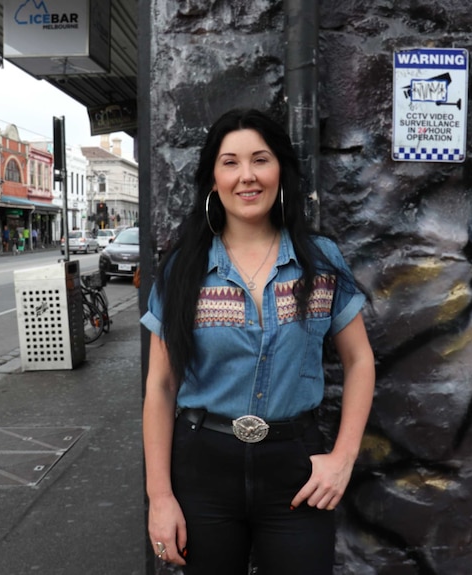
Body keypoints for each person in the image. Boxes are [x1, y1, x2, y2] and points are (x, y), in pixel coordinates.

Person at [140, 108, 375, 575]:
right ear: (213, 178)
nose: (246, 176)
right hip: (203, 467)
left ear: (280, 171)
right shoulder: (183, 269)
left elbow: (360, 360)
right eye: (230, 162)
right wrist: (160, 497)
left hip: (295, 469)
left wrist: (343, 459)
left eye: (259, 160)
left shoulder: (320, 261)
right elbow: (161, 388)